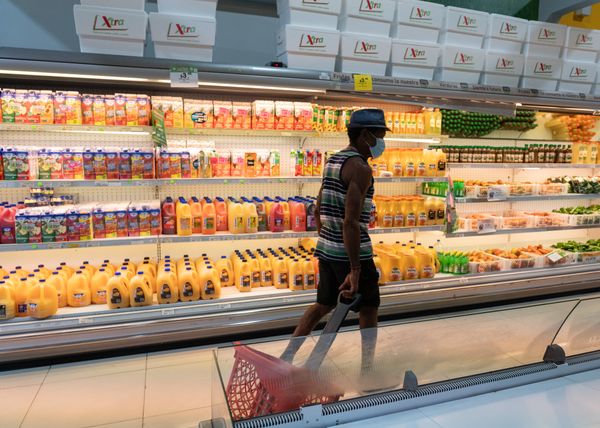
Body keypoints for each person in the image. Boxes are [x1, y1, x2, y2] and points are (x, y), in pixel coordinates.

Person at [281, 109, 388, 365]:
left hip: (328, 248)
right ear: (365, 135)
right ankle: (367, 371)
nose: (382, 142)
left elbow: (318, 206)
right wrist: (355, 268)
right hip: (351, 252)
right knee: (369, 308)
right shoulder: (360, 168)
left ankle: (286, 356)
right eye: (380, 135)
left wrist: (326, 237)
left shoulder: (333, 160)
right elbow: (351, 222)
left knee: (323, 304)